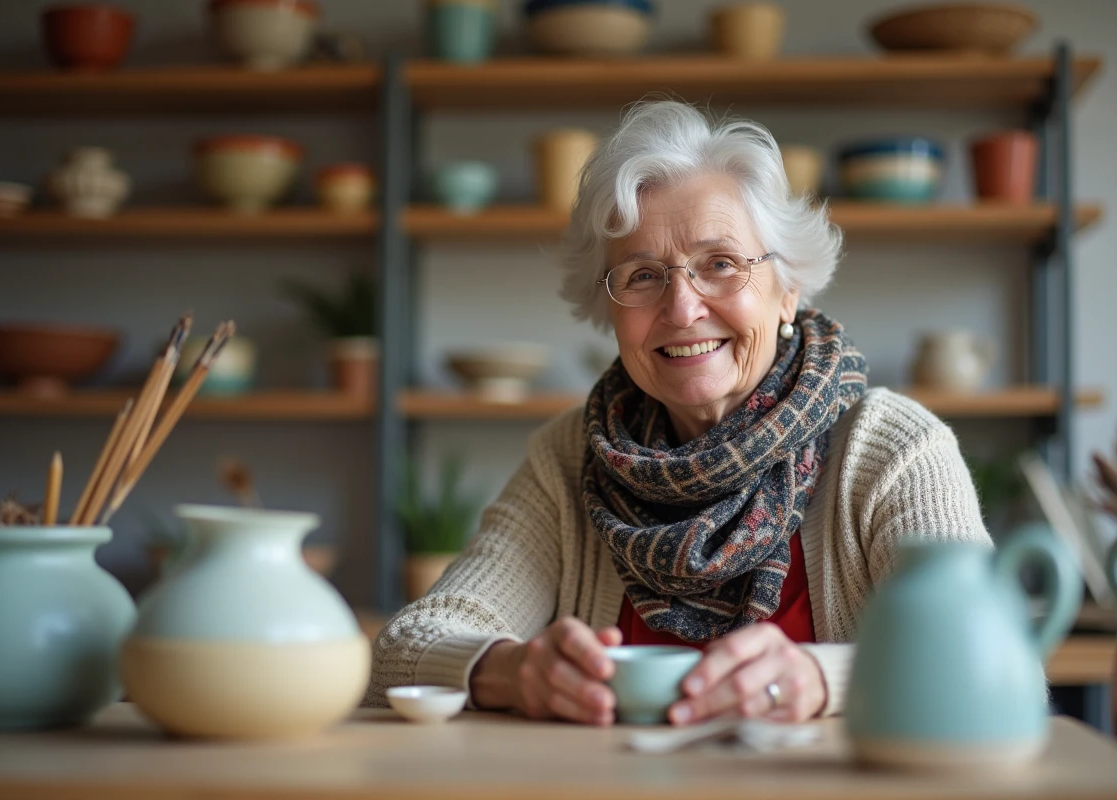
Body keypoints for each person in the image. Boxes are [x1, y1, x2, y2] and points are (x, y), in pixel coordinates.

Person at [368, 100, 989, 726]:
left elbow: (986, 662)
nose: (682, 308)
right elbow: (403, 650)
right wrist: (509, 670)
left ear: (788, 288)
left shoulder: (892, 450)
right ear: (607, 309)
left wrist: (820, 681)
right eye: (642, 276)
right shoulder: (570, 458)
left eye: (720, 264)